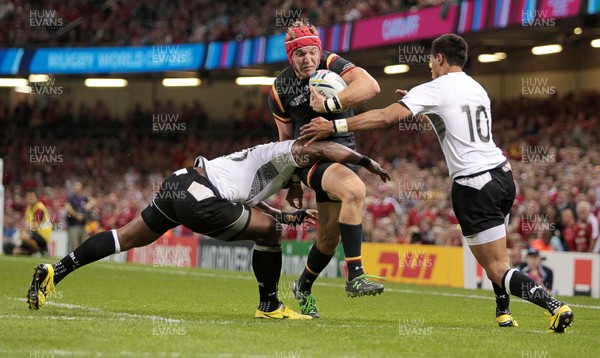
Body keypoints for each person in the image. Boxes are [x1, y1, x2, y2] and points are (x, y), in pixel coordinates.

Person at [299, 33, 573, 333]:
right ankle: (503, 310)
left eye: (431, 59)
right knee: (499, 256)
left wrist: (333, 123)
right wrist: (427, 108)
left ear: (440, 58)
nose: (430, 65)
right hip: (503, 176)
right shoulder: (476, 87)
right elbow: (456, 124)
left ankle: (554, 307)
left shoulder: (434, 88)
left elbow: (386, 116)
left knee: (496, 266)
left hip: (473, 184)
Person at [27, 139, 389, 320]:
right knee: (269, 235)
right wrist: (363, 161)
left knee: (124, 237)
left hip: (181, 182)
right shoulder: (286, 151)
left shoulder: (265, 170)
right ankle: (269, 303)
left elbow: (244, 200)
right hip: (202, 196)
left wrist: (287, 217)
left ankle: (55, 271)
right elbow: (317, 146)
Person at [268, 20, 382, 317]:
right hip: (310, 158)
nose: (308, 60)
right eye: (300, 55)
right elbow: (283, 141)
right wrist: (292, 182)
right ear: (289, 57)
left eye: (312, 53)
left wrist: (331, 104)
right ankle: (356, 275)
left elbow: (370, 86)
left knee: (328, 240)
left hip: (344, 152)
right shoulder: (280, 89)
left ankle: (302, 286)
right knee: (355, 189)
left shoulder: (332, 62)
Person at [12, 190, 52, 256]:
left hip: (42, 234)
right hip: (34, 233)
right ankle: (30, 251)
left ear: (36, 198)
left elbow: (35, 226)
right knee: (16, 251)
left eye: (32, 196)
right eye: (28, 197)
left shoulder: (39, 208)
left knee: (23, 236)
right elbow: (27, 223)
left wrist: (24, 231)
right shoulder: (29, 208)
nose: (30, 198)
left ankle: (41, 250)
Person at [64, 181, 94, 251]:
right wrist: (76, 215)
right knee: (74, 246)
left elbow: (93, 201)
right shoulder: (71, 198)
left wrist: (88, 205)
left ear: (81, 189)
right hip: (74, 225)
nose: (77, 190)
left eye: (79, 188)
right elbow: (67, 208)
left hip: (83, 225)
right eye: (76, 188)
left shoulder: (83, 198)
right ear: (74, 189)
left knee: (83, 246)